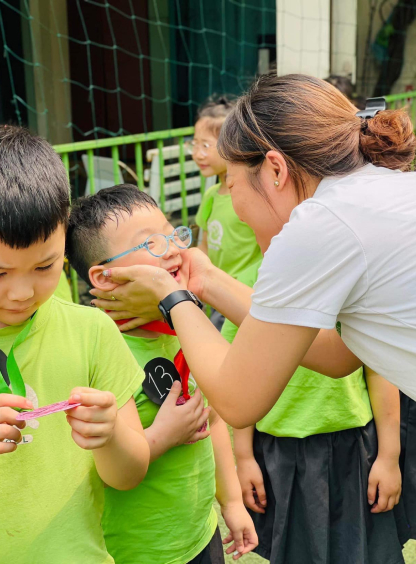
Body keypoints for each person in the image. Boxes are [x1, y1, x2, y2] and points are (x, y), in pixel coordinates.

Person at [89, 73, 416, 433]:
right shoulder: (373, 193)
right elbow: (338, 353)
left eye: (230, 183)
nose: (236, 210)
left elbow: (237, 400)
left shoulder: (319, 225)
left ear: (276, 169)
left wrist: (171, 297)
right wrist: (205, 279)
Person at [66, 184, 258, 563]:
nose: (172, 249)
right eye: (151, 243)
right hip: (139, 551)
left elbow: (214, 418)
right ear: (104, 277)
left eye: (172, 235)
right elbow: (103, 467)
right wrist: (163, 436)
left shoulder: (184, 325)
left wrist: (232, 503)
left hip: (202, 533)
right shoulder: (97, 350)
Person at [0, 126, 149, 564]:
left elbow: (129, 474)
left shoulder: (92, 332)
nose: (21, 293)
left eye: (44, 266)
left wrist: (109, 435)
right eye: (0, 273)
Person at [223, 261, 409, 563]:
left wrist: (389, 457)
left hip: (354, 448)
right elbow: (239, 374)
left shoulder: (351, 276)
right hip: (279, 454)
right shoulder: (247, 283)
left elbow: (379, 369)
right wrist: (243, 457)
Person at [192, 96, 263, 329]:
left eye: (205, 146)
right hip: (217, 292)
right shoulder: (211, 196)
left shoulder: (250, 197)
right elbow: (204, 245)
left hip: (245, 294)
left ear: (232, 145)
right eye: (194, 144)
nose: (197, 154)